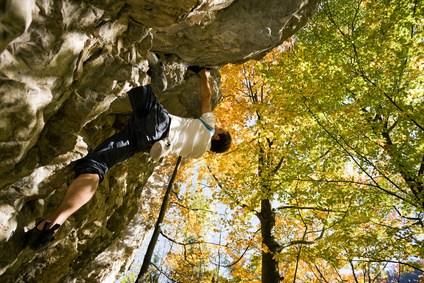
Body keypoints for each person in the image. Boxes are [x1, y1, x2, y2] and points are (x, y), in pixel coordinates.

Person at [26, 56, 232, 250]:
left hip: (159, 124)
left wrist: (205, 75)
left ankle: (157, 75)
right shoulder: (196, 154)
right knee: (97, 166)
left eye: (220, 130)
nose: (219, 127)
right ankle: (54, 223)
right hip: (145, 144)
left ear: (216, 137)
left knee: (137, 77)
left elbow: (207, 96)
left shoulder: (209, 127)